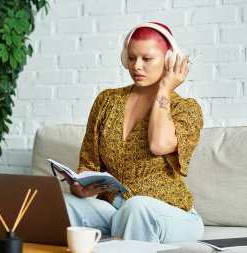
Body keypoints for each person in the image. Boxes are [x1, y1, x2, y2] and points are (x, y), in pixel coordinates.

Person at [60, 22, 204, 244]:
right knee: (63, 204)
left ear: (169, 61)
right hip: (116, 211)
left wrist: (165, 89)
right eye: (131, 57)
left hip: (169, 214)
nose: (136, 66)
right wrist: (80, 188)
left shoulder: (186, 109)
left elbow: (159, 144)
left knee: (137, 206)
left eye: (147, 59)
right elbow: (88, 162)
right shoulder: (107, 101)